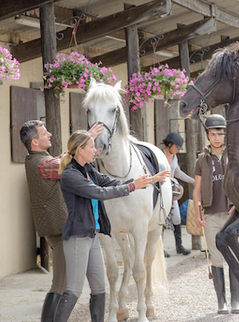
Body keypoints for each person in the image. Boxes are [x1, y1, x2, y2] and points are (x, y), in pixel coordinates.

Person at [53, 130, 169, 322]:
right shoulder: (71, 175)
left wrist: (149, 180)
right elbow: (100, 192)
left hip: (92, 236)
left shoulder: (88, 171)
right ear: (81, 150)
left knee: (99, 289)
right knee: (73, 290)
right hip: (77, 238)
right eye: (91, 147)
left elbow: (114, 182)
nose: (96, 150)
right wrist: (132, 187)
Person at [19, 120, 103, 322]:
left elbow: (60, 160)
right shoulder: (41, 163)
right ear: (34, 143)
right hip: (59, 232)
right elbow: (65, 165)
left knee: (62, 284)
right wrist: (84, 140)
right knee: (61, 285)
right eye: (44, 133)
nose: (49, 134)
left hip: (59, 229)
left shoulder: (41, 159)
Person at [193, 114, 239, 315]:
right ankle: (221, 302)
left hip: (232, 216)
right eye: (213, 134)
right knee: (216, 258)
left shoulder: (235, 156)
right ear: (207, 135)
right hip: (211, 215)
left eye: (221, 134)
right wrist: (197, 213)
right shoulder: (201, 160)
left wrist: (238, 204)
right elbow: (196, 191)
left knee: (234, 258)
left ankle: (236, 302)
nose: (217, 138)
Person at [162, 132, 195, 257]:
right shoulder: (159, 154)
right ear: (169, 144)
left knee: (176, 217)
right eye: (176, 147)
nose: (177, 150)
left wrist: (193, 181)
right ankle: (161, 248)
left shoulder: (174, 157)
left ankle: (179, 246)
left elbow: (177, 173)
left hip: (171, 191)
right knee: (162, 219)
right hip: (160, 191)